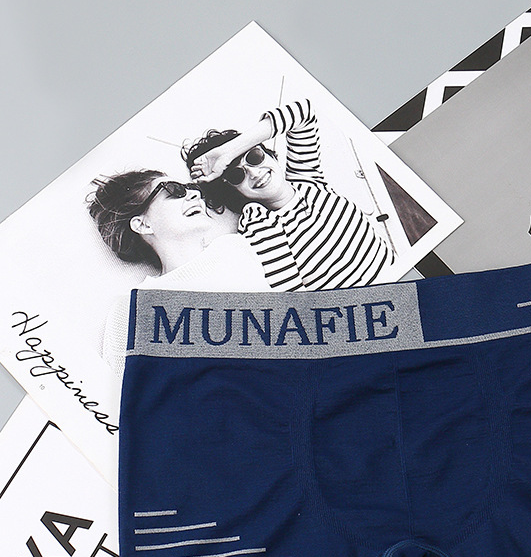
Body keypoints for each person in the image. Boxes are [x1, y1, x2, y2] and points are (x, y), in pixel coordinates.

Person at [184, 98, 395, 292]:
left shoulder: (307, 177)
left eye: (254, 156)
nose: (254, 173)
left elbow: (304, 112)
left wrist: (229, 151)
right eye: (236, 175)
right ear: (233, 191)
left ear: (268, 153)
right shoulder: (258, 223)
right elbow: (293, 298)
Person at [88, 170, 270, 376]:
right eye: (174, 191)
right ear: (143, 224)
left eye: (191, 188)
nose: (195, 194)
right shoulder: (133, 311)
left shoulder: (238, 247)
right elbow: (122, 389)